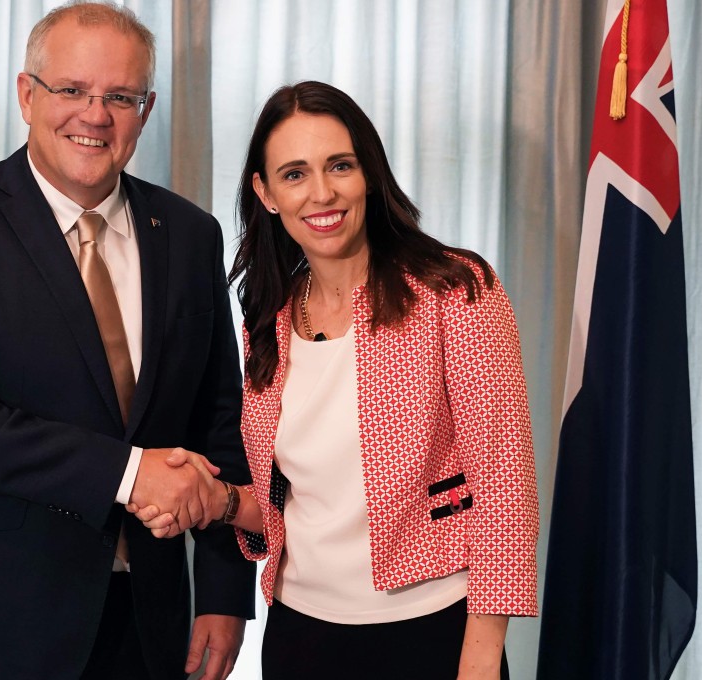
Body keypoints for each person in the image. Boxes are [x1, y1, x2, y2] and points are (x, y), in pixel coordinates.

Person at [0, 3, 254, 679]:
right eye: (73, 90)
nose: (95, 115)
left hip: (147, 624)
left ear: (147, 109)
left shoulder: (191, 235)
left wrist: (225, 595)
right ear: (27, 95)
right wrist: (128, 472)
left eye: (120, 96)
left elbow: (219, 418)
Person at [131, 81, 539, 679]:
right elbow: (294, 509)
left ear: (368, 174)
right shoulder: (268, 323)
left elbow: (506, 484)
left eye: (339, 166)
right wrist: (212, 502)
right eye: (294, 174)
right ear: (266, 194)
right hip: (302, 636)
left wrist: (480, 655)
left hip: (435, 633)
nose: (321, 192)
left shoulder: (455, 288)